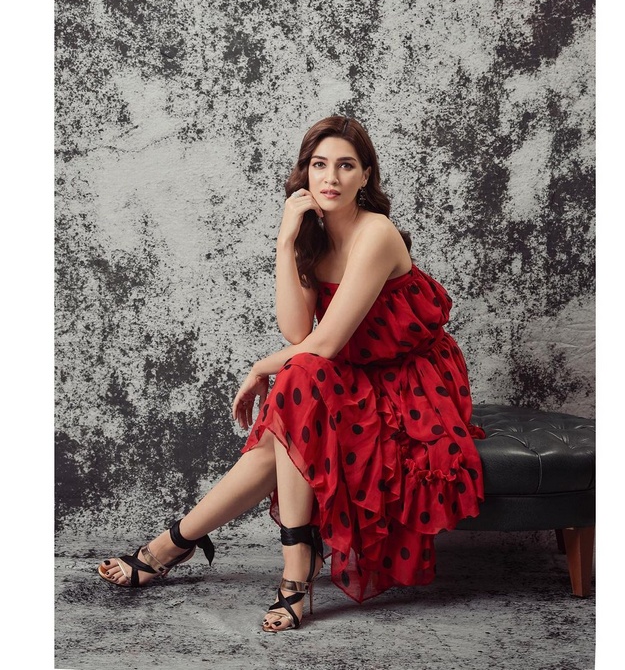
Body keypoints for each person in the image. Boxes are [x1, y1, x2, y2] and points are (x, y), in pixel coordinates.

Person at [98, 115, 485, 632]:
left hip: (411, 380)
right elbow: (298, 330)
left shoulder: (376, 233)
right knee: (293, 399)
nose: (331, 178)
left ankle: (196, 550)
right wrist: (286, 241)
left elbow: (323, 344)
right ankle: (236, 556)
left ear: (365, 175)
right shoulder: (313, 238)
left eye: (346, 166)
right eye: (319, 165)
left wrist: (261, 368)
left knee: (294, 383)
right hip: (350, 370)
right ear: (305, 173)